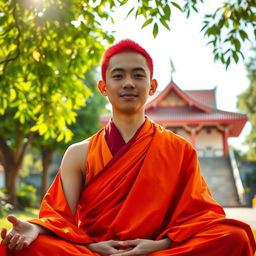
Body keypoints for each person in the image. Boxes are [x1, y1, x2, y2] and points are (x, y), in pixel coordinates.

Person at [1, 39, 255, 256]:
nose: (129, 83)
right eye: (118, 75)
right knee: (27, 246)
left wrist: (159, 245)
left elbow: (199, 216)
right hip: (96, 251)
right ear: (103, 87)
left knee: (235, 236)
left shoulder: (179, 148)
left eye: (138, 75)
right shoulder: (79, 153)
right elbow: (58, 216)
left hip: (157, 250)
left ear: (152, 86)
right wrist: (46, 230)